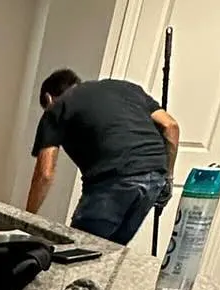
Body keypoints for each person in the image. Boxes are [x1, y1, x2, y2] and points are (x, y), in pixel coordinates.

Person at [25, 68, 179, 244]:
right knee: (108, 253)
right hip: (154, 178)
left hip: (114, 179)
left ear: (48, 98)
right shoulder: (127, 89)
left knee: (77, 252)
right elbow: (170, 126)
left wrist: (26, 219)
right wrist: (168, 177)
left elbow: (44, 175)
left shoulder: (57, 107)